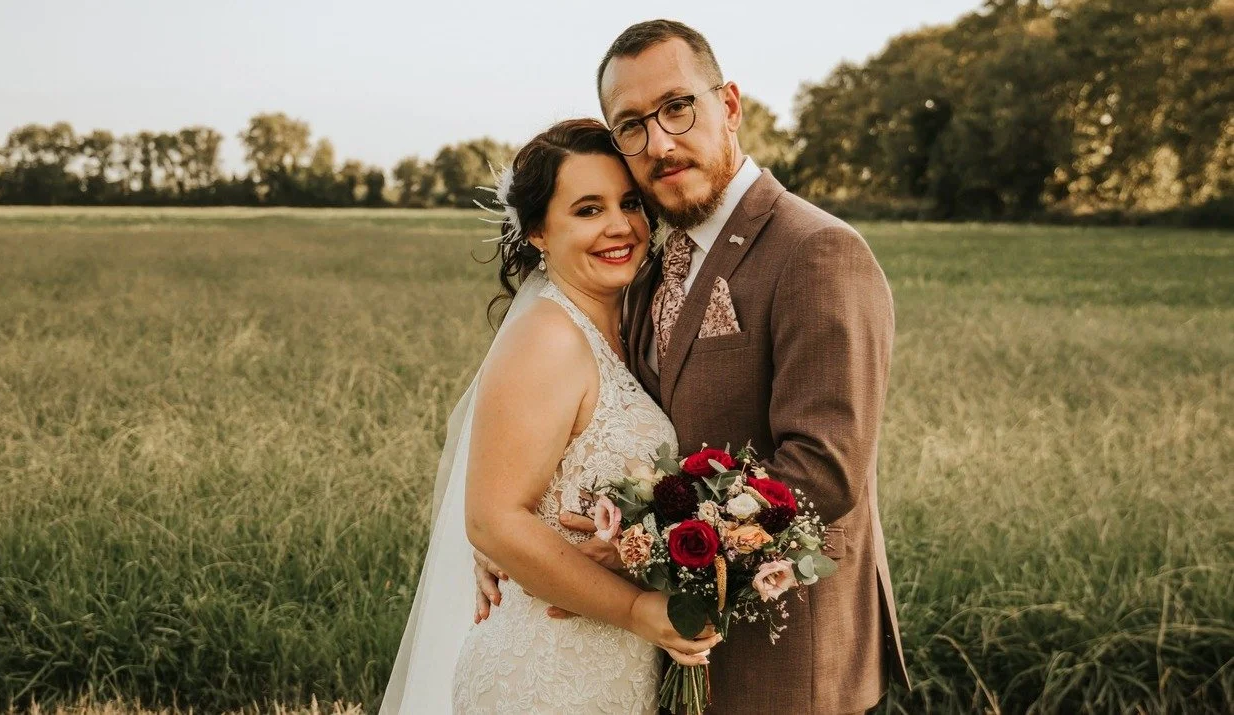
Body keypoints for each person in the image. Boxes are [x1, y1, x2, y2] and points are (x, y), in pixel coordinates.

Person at [476, 19, 911, 714]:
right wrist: (535, 549)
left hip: (786, 659)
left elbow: (824, 470)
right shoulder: (646, 263)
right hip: (661, 655)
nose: (659, 142)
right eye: (630, 126)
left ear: (729, 106)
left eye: (677, 108)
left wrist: (641, 550)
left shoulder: (816, 250)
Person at [380, 118, 721, 715]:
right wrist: (640, 609)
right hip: (545, 674)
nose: (620, 227)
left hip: (609, 668)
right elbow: (493, 523)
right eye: (588, 210)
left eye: (630, 203)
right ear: (538, 230)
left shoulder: (626, 322)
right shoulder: (549, 337)